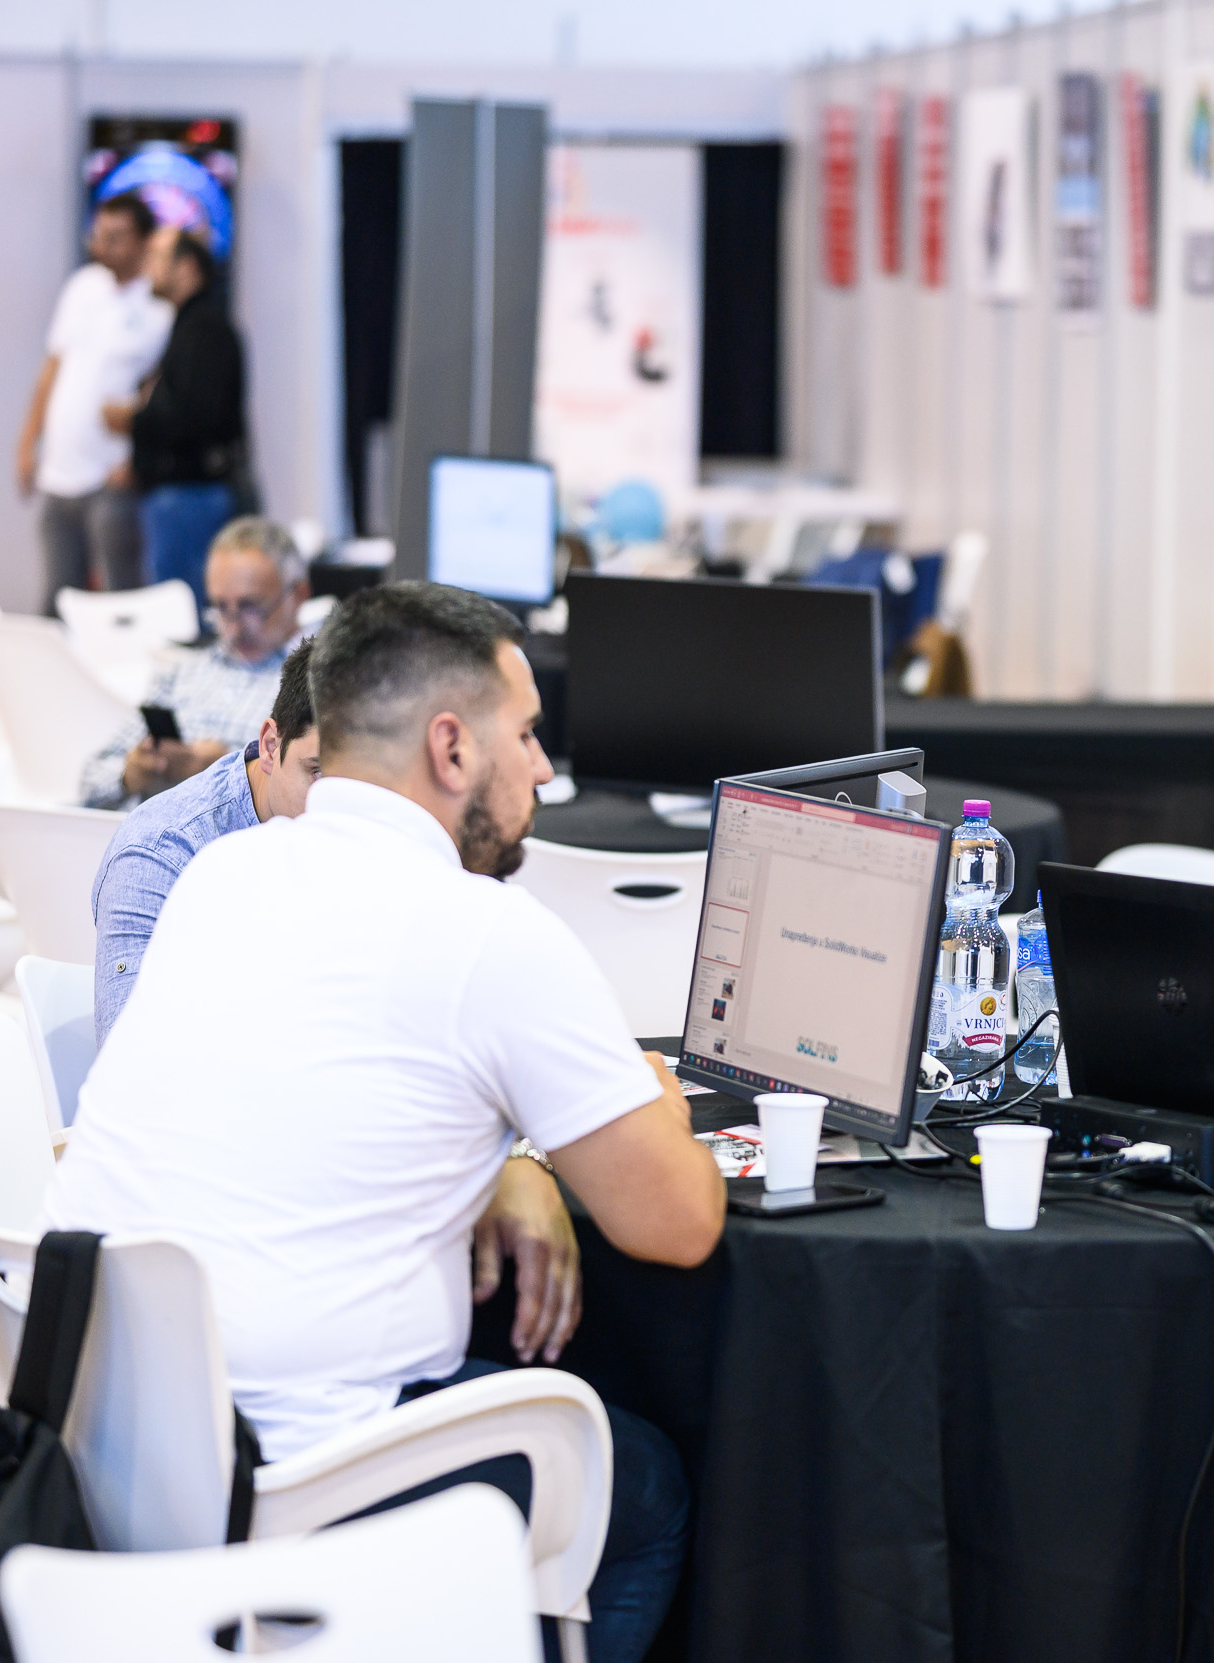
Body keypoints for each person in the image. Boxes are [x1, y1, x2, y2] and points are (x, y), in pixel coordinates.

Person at [43, 582, 723, 1663]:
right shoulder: (489, 931)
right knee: (644, 1495)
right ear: (451, 748)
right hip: (299, 1471)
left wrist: (504, 1160)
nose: (544, 771)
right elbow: (677, 1223)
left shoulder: (219, 873)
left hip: (94, 1434)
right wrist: (662, 1106)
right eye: (528, 734)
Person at [89, 639, 316, 1047]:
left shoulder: (380, 829)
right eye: (318, 773)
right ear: (270, 746)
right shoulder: (158, 855)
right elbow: (131, 1058)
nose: (340, 801)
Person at [79, 516, 309, 809]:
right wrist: (131, 773)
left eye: (250, 606)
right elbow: (89, 781)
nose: (234, 626)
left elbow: (318, 786)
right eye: (221, 607)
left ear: (298, 594)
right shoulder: (182, 673)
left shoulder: (317, 680)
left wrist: (227, 769)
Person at [18, 191, 172, 612]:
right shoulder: (82, 286)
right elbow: (52, 368)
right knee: (57, 597)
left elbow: (161, 393)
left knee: (119, 598)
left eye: (116, 236)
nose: (104, 245)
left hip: (110, 473)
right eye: (100, 234)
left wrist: (138, 459)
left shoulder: (159, 307)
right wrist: (27, 442)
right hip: (59, 470)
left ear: (143, 241)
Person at [107, 228, 247, 614]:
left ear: (186, 268)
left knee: (182, 620)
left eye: (156, 257)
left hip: (189, 497)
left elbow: (195, 416)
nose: (146, 267)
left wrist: (134, 420)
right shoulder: (190, 326)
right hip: (181, 497)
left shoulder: (204, 329)